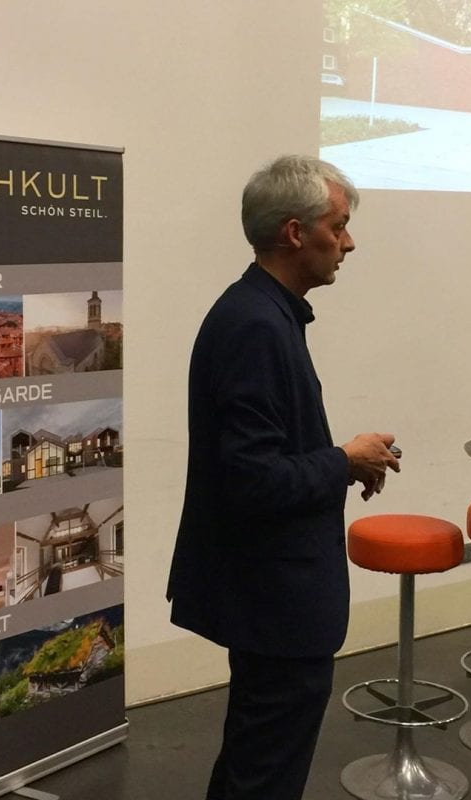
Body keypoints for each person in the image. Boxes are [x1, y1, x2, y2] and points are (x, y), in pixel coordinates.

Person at [166, 154, 401, 800]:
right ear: (295, 233)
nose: (348, 242)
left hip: (272, 597)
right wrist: (343, 461)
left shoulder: (264, 315)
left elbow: (262, 458)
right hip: (275, 600)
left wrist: (348, 460)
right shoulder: (255, 327)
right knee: (264, 774)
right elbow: (252, 480)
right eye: (339, 225)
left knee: (255, 762)